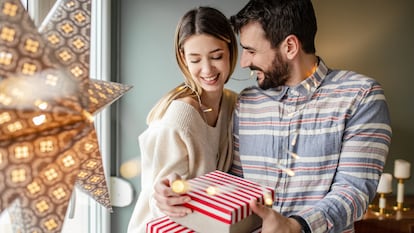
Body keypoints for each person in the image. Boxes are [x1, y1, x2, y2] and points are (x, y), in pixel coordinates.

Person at [153, 0, 393, 232]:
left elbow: (354, 191)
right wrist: (180, 189)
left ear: (289, 47)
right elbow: (235, 185)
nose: (244, 61)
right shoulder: (246, 102)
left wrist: (295, 226)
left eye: (251, 50)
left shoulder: (360, 96)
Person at [127, 6, 239, 233]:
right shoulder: (180, 117)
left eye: (216, 56)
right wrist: (165, 194)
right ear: (183, 58)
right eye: (195, 59)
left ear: (231, 51)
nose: (207, 69)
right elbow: (163, 204)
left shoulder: (232, 104)